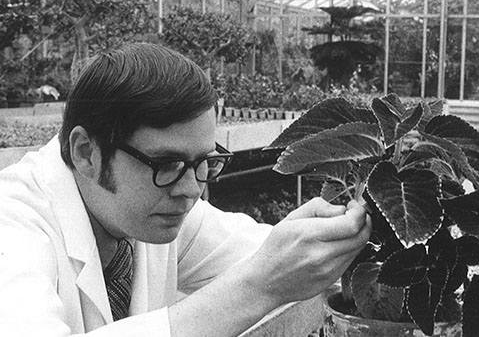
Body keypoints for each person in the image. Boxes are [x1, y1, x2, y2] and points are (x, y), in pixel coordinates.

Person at [0, 43, 372, 336]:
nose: (191, 189)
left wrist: (344, 234)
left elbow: (266, 252)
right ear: (86, 153)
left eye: (202, 163)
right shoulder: (13, 224)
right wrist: (258, 287)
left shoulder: (155, 206)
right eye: (167, 164)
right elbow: (262, 275)